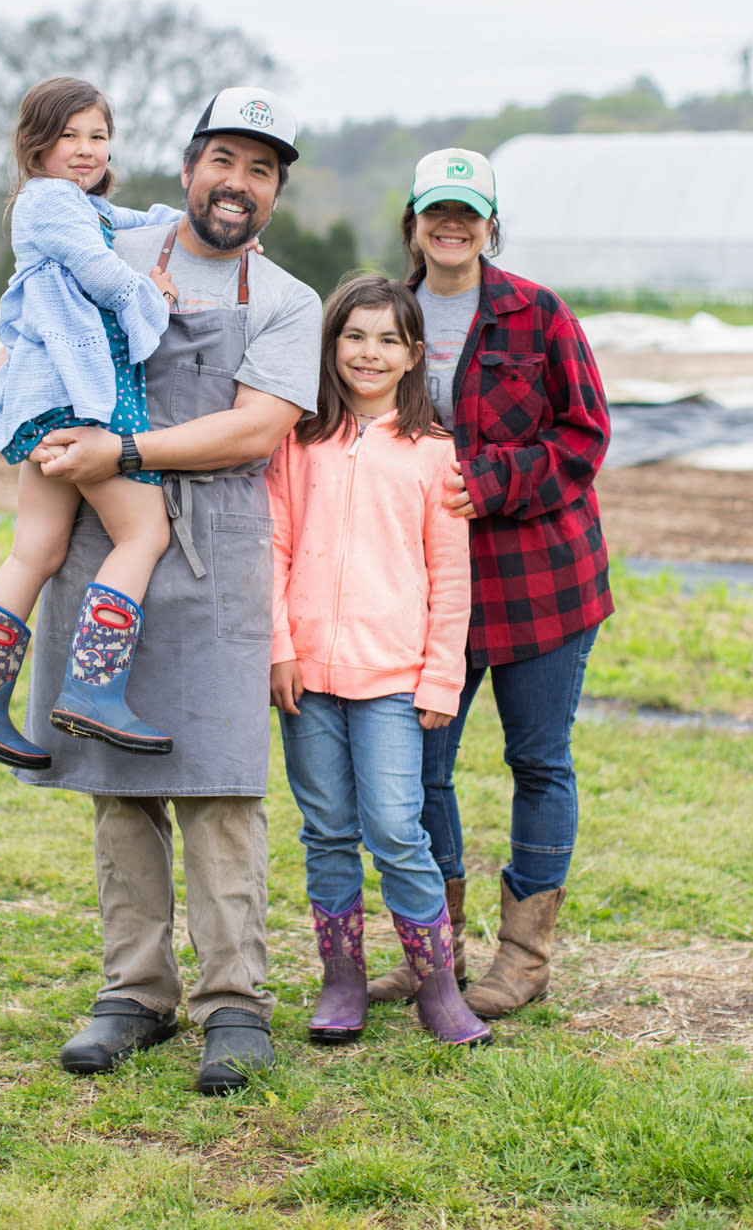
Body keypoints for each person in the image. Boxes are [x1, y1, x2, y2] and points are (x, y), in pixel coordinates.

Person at [14, 88, 323, 1094]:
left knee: (224, 786)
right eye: (224, 159)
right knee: (113, 784)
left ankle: (234, 1004)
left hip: (218, 547)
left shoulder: (285, 300)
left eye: (262, 169)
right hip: (109, 545)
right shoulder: (117, 246)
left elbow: (252, 428)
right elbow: (37, 328)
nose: (238, 183)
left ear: (275, 191)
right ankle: (133, 994)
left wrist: (126, 444)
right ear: (189, 165)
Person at [367, 148, 613, 1018]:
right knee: (419, 771)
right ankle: (430, 953)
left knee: (537, 759)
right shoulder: (384, 315)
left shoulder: (537, 313)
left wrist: (499, 480)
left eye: (468, 212)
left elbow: (584, 436)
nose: (452, 225)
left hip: (537, 579)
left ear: (488, 224)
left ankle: (521, 959)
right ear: (412, 222)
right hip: (424, 586)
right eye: (437, 210)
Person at [267, 274, 491, 1049]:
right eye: (354, 336)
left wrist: (440, 675)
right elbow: (274, 547)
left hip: (395, 677)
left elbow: (450, 575)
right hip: (308, 679)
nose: (368, 352)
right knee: (326, 828)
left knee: (397, 827)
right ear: (330, 346)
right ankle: (342, 980)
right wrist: (279, 648)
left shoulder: (433, 453)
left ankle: (436, 987)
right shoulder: (296, 442)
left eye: (387, 339)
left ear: (413, 356)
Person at [0, 76, 184, 770]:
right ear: (34, 145)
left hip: (46, 398)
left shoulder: (79, 204)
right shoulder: (48, 204)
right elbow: (103, 274)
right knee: (142, 531)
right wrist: (155, 297)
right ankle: (91, 690)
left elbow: (136, 222)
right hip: (78, 400)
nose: (84, 149)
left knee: (35, 550)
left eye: (97, 136)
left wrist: (185, 224)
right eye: (68, 136)